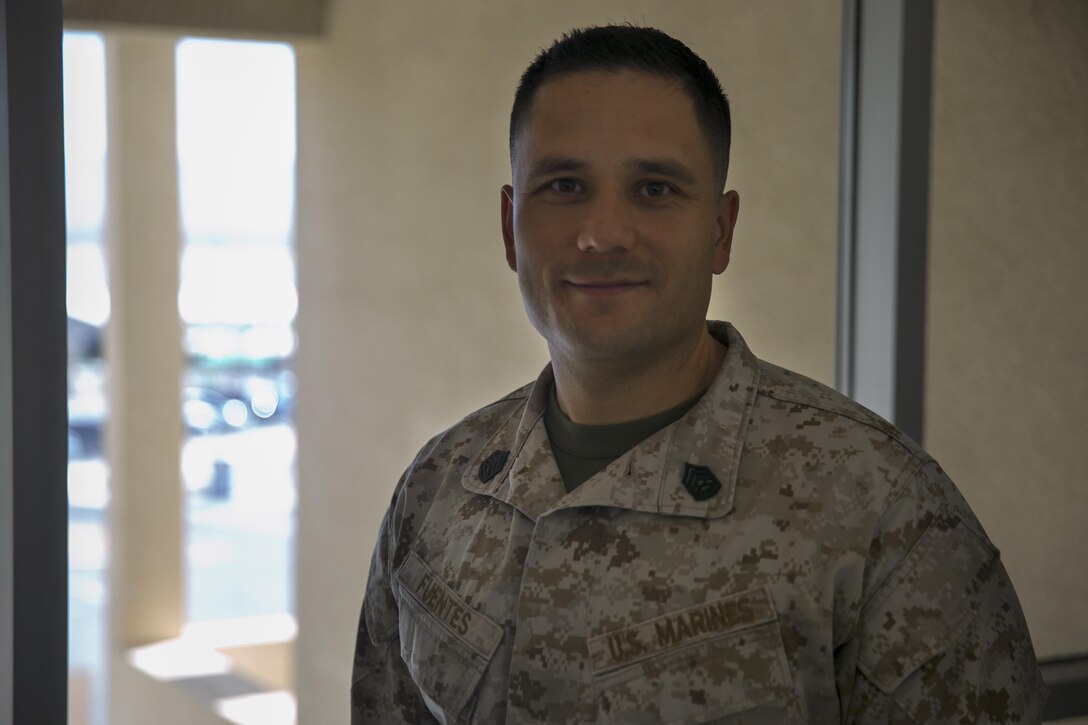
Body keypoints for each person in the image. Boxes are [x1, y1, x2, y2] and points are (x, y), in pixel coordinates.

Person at [351, 25, 1046, 724]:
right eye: (565, 186)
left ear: (720, 230)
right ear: (510, 227)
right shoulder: (438, 492)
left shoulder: (880, 509)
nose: (603, 233)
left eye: (653, 189)